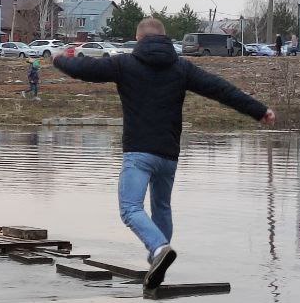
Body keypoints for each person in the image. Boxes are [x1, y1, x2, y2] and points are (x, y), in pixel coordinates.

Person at [54, 17, 276, 288]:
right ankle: (158, 263)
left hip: (139, 152)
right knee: (161, 207)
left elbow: (86, 68)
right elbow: (220, 89)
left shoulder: (124, 64)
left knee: (130, 208)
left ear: (138, 39)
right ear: (165, 38)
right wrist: (259, 110)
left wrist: (60, 60)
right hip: (168, 155)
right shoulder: (181, 67)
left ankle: (159, 249)